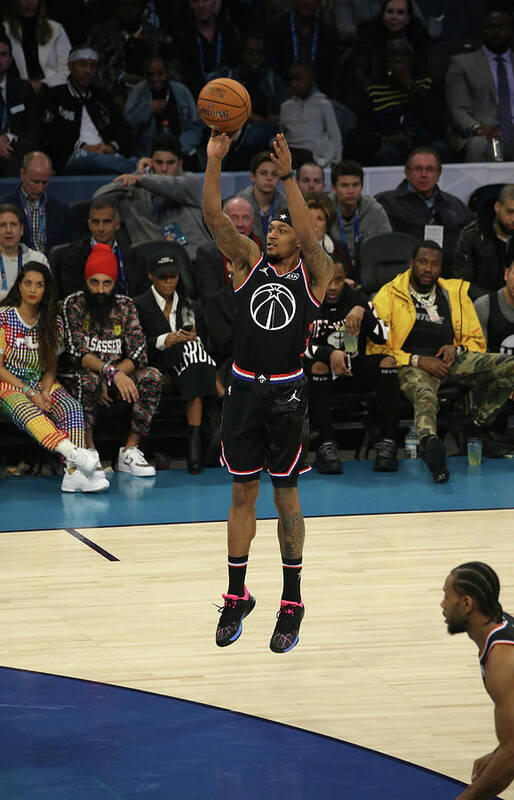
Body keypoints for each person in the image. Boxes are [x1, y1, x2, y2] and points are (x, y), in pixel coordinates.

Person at [202, 130, 333, 653]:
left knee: (286, 496)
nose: (274, 231)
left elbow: (308, 233)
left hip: (288, 392)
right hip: (243, 389)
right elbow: (215, 219)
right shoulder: (247, 262)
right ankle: (237, 595)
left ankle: (292, 599)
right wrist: (213, 161)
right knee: (241, 492)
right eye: (271, 224)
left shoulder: (315, 273)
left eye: (283, 227)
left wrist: (287, 179)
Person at [367, 240, 514, 483]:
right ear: (411, 263)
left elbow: (476, 341)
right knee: (425, 396)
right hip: (411, 365)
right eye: (422, 262)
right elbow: (376, 348)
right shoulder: (389, 293)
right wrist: (418, 360)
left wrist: (457, 348)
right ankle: (432, 447)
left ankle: (477, 426)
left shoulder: (455, 294)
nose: (428, 269)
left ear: (441, 268)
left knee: (512, 366)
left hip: (451, 361)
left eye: (434, 264)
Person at [0, 261, 108, 492]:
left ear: (45, 290)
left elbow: (50, 368)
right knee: (26, 409)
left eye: (39, 285)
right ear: (19, 286)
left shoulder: (54, 322)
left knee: (71, 408)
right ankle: (75, 455)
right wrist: (30, 393)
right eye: (28, 283)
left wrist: (45, 391)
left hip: (40, 383)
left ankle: (73, 475)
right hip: (8, 383)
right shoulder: (3, 318)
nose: (32, 289)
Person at [61, 243, 164, 477]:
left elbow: (139, 353)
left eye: (106, 283)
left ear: (114, 283)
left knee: (152, 377)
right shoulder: (73, 304)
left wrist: (114, 376)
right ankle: (88, 451)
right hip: (82, 376)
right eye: (94, 282)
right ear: (85, 281)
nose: (100, 290)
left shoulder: (125, 306)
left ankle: (130, 450)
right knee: (88, 380)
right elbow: (77, 354)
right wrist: (110, 374)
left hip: (116, 379)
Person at [441, 562, 514, 800]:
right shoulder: (501, 624)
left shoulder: (503, 662)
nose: (442, 605)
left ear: (467, 604)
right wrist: (497, 753)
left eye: (446, 597)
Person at [304, 251, 399, 473]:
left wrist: (364, 311)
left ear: (345, 276)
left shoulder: (357, 297)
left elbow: (383, 336)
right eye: (327, 281)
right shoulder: (306, 300)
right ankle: (326, 445)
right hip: (323, 377)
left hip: (356, 370)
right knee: (318, 366)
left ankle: (388, 442)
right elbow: (298, 346)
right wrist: (328, 353)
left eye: (338, 280)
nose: (333, 287)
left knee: (387, 362)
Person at [134, 253, 219, 474]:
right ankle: (224, 401)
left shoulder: (190, 305)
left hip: (188, 369)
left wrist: (194, 339)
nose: (169, 281)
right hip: (158, 365)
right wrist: (165, 340)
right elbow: (135, 346)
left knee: (193, 359)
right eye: (163, 277)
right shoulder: (138, 305)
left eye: (173, 276)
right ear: (151, 276)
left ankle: (194, 456)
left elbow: (208, 342)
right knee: (195, 360)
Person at [94, 133, 211, 264]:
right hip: (151, 264)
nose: (164, 168)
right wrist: (138, 174)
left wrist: (141, 179)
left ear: (180, 164)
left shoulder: (189, 183)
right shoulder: (135, 190)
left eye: (170, 163)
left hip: (193, 260)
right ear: (151, 163)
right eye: (159, 162)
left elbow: (169, 185)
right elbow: (99, 197)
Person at [445, 11, 514, 162]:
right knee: (478, 146)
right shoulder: (462, 63)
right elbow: (457, 109)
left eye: (502, 27)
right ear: (482, 31)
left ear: (511, 32)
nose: (496, 32)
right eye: (490, 28)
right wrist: (476, 127)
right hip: (482, 134)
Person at [378, 147, 474, 277]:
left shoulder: (454, 204)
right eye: (418, 169)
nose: (424, 175)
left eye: (430, 169)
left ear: (439, 174)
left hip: (451, 278)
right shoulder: (389, 204)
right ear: (407, 173)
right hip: (407, 278)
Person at [353, 40, 452, 166]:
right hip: (392, 144)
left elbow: (437, 122)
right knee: (386, 155)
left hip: (425, 142)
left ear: (411, 60)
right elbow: (363, 135)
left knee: (439, 150)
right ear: (386, 63)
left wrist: (412, 89)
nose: (397, 61)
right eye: (392, 57)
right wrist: (386, 141)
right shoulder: (374, 93)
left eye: (401, 57)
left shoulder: (427, 85)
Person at [42, 45, 136, 175]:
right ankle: (136, 168)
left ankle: (125, 164)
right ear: (70, 66)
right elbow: (50, 134)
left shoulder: (103, 96)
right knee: (82, 158)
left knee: (113, 160)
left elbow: (124, 130)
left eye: (92, 66)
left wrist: (113, 146)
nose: (88, 71)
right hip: (75, 157)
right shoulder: (55, 96)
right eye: (83, 65)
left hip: (106, 154)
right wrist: (83, 147)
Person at [474, 256, 514, 441]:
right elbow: (478, 355)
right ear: (507, 274)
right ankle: (493, 434)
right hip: (495, 378)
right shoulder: (484, 305)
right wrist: (508, 374)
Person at [454, 184, 514, 299]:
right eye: (510, 212)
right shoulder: (471, 235)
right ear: (497, 207)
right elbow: (462, 282)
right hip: (481, 302)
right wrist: (495, 301)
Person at [86, 0, 174, 102]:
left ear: (143, 7)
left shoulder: (159, 38)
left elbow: (174, 74)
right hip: (108, 103)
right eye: (124, 5)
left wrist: (151, 80)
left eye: (135, 5)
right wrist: (120, 79)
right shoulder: (99, 36)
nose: (129, 10)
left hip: (154, 101)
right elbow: (88, 72)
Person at [51, 198, 137, 300]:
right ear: (89, 225)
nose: (101, 228)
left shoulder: (132, 255)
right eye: (96, 222)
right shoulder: (72, 255)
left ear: (117, 225)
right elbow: (73, 295)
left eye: (106, 222)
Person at [124, 53, 203, 164]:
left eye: (160, 74)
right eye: (151, 75)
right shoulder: (138, 93)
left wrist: (177, 148)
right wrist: (148, 109)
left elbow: (195, 127)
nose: (155, 79)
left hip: (181, 154)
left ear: (167, 72)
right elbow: (127, 127)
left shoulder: (181, 91)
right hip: (148, 158)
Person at [196, 195, 261, 302]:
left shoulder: (265, 247)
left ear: (253, 221)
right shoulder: (208, 253)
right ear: (223, 221)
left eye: (246, 218)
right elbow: (210, 297)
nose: (240, 224)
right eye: (234, 218)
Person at [328, 159, 392, 269]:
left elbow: (388, 246)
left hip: (368, 270)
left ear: (362, 186)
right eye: (344, 185)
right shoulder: (324, 210)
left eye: (355, 185)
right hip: (332, 271)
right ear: (333, 188)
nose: (351, 191)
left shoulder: (375, 210)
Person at [1, 151, 68, 254]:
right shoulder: (4, 206)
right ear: (22, 174)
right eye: (35, 182)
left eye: (44, 182)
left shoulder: (59, 209)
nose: (40, 188)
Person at [279, 60, 342, 169]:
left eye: (298, 79)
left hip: (315, 157)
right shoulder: (285, 107)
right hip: (292, 154)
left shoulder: (323, 104)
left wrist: (337, 163)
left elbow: (335, 136)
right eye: (292, 80)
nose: (294, 84)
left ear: (311, 80)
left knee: (304, 156)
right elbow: (282, 133)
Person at [267, 0, 338, 95]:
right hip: (282, 97)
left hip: (319, 99)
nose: (306, 2)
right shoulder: (276, 30)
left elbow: (331, 77)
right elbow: (272, 70)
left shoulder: (329, 35)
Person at [172, 0, 240, 97]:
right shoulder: (182, 37)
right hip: (195, 99)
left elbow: (235, 66)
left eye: (205, 0)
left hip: (228, 97)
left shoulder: (228, 31)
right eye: (195, 2)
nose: (200, 5)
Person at [3, 0, 71, 95]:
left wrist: (43, 85)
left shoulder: (56, 29)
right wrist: (24, 85)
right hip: (16, 92)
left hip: (53, 89)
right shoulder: (5, 30)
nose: (30, 2)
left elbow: (68, 67)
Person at [0, 32, 40, 178]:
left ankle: (15, 198)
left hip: (15, 149)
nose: (0, 59)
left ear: (10, 60)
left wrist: (8, 138)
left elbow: (35, 128)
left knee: (26, 148)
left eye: (3, 55)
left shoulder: (23, 89)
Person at [237, 150, 286, 249]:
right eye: (263, 173)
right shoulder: (240, 204)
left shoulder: (286, 204)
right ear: (253, 177)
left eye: (274, 174)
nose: (269, 178)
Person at [0, 203, 49, 302]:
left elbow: (48, 296)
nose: (8, 230)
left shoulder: (38, 259)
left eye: (13, 224)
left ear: (21, 229)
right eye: (2, 225)